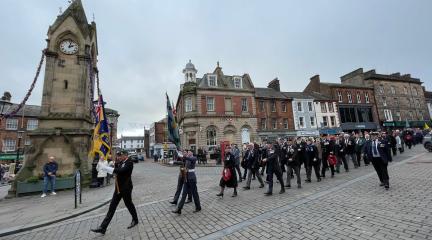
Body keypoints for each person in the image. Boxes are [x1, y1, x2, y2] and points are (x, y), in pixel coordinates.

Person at [91, 150, 139, 235]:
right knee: (112, 207)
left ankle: (135, 219)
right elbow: (116, 170)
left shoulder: (129, 162)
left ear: (125, 155)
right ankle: (103, 227)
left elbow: (121, 171)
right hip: (118, 189)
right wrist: (113, 164)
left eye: (120, 156)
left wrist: (107, 168)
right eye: (117, 156)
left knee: (129, 204)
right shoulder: (119, 162)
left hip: (126, 188)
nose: (118, 157)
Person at [172, 150, 201, 214]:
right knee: (184, 194)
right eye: (188, 152)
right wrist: (174, 162)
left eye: (190, 152)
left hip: (192, 178)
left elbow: (189, 158)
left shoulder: (194, 158)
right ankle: (179, 209)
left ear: (192, 153)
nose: (188, 153)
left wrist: (183, 156)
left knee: (195, 193)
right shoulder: (187, 159)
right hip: (186, 178)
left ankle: (198, 207)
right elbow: (182, 162)